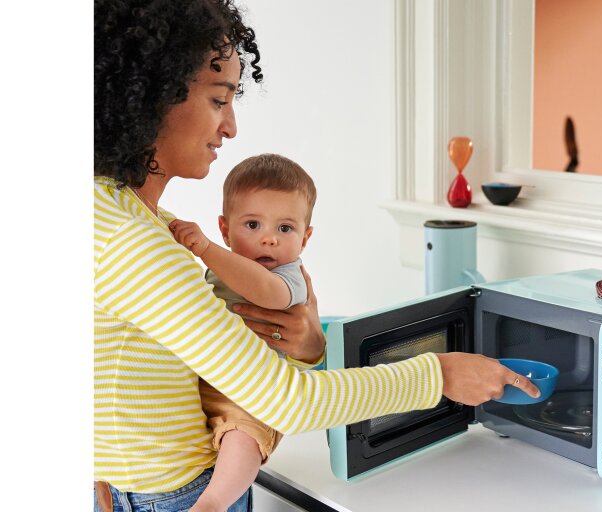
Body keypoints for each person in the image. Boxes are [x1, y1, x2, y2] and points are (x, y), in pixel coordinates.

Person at [93, 1, 540, 511]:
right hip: (170, 498)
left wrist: (308, 345)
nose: (232, 126)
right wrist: (439, 374)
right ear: (152, 96)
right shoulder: (132, 242)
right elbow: (287, 401)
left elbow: (182, 346)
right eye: (220, 100)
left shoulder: (123, 216)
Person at [169, 154, 319, 511]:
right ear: (226, 228)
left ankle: (213, 503)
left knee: (244, 437)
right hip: (200, 389)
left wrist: (206, 249)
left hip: (252, 393)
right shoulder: (218, 272)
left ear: (305, 238)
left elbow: (264, 292)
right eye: (253, 225)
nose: (269, 240)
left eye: (285, 229)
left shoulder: (290, 277)